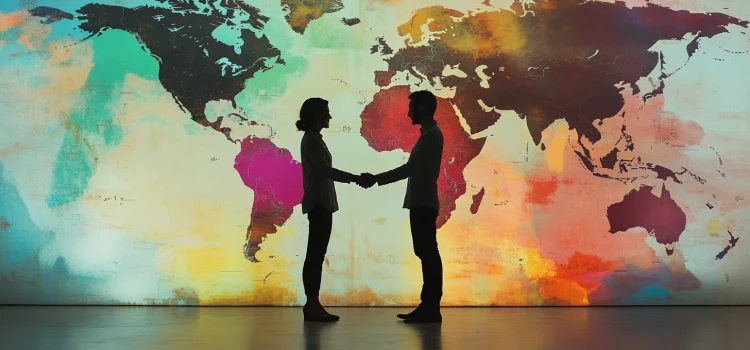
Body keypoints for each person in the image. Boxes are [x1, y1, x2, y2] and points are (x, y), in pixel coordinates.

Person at [359, 90, 445, 323]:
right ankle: (428, 306)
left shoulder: (430, 136)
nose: (408, 114)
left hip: (423, 202)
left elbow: (410, 169)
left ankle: (430, 307)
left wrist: (376, 178)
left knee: (427, 254)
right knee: (426, 253)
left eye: (412, 108)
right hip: (421, 201)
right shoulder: (429, 134)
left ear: (423, 109)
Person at [297, 97, 368, 322]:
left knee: (316, 254)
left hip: (322, 202)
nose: (329, 117)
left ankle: (313, 303)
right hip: (319, 203)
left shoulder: (314, 140)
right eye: (326, 112)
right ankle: (312, 303)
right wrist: (356, 179)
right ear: (316, 115)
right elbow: (326, 171)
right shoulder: (312, 141)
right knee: (315, 255)